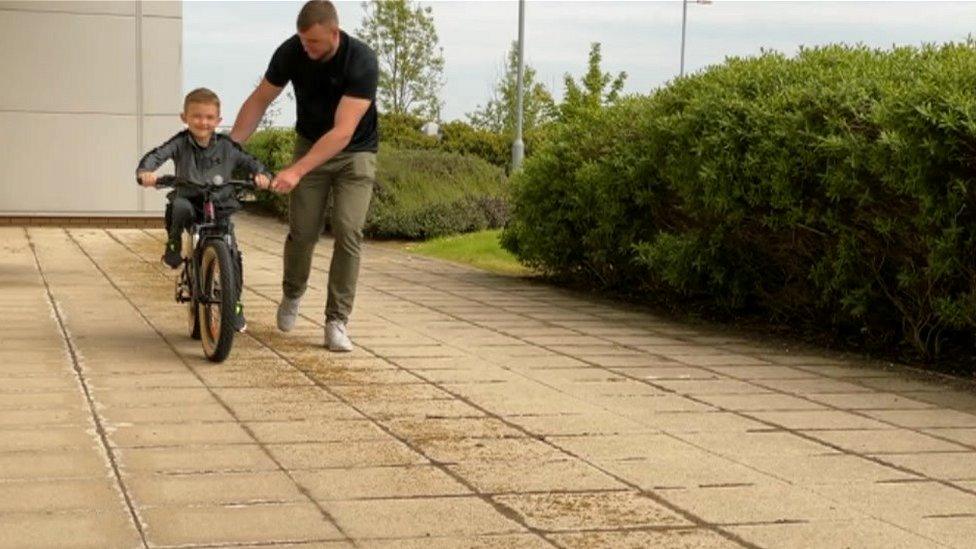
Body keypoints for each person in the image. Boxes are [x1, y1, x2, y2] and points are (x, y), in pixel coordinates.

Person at [229, 0, 379, 352]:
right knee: (303, 231)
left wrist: (296, 170)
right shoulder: (291, 52)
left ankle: (336, 321)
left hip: (354, 154)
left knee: (348, 230)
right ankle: (292, 293)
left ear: (334, 33)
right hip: (310, 143)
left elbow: (343, 132)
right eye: (303, 41)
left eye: (314, 42)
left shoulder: (362, 61)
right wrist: (230, 146)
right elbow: (259, 100)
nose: (307, 48)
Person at [136, 87, 272, 331]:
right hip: (189, 200)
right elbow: (157, 155)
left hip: (219, 204)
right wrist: (146, 172)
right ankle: (174, 242)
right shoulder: (179, 143)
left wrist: (262, 175)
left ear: (218, 121)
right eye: (197, 116)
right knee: (178, 206)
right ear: (185, 118)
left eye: (209, 117)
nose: (203, 122)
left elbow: (252, 162)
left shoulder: (227, 146)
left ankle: (234, 304)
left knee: (232, 254)